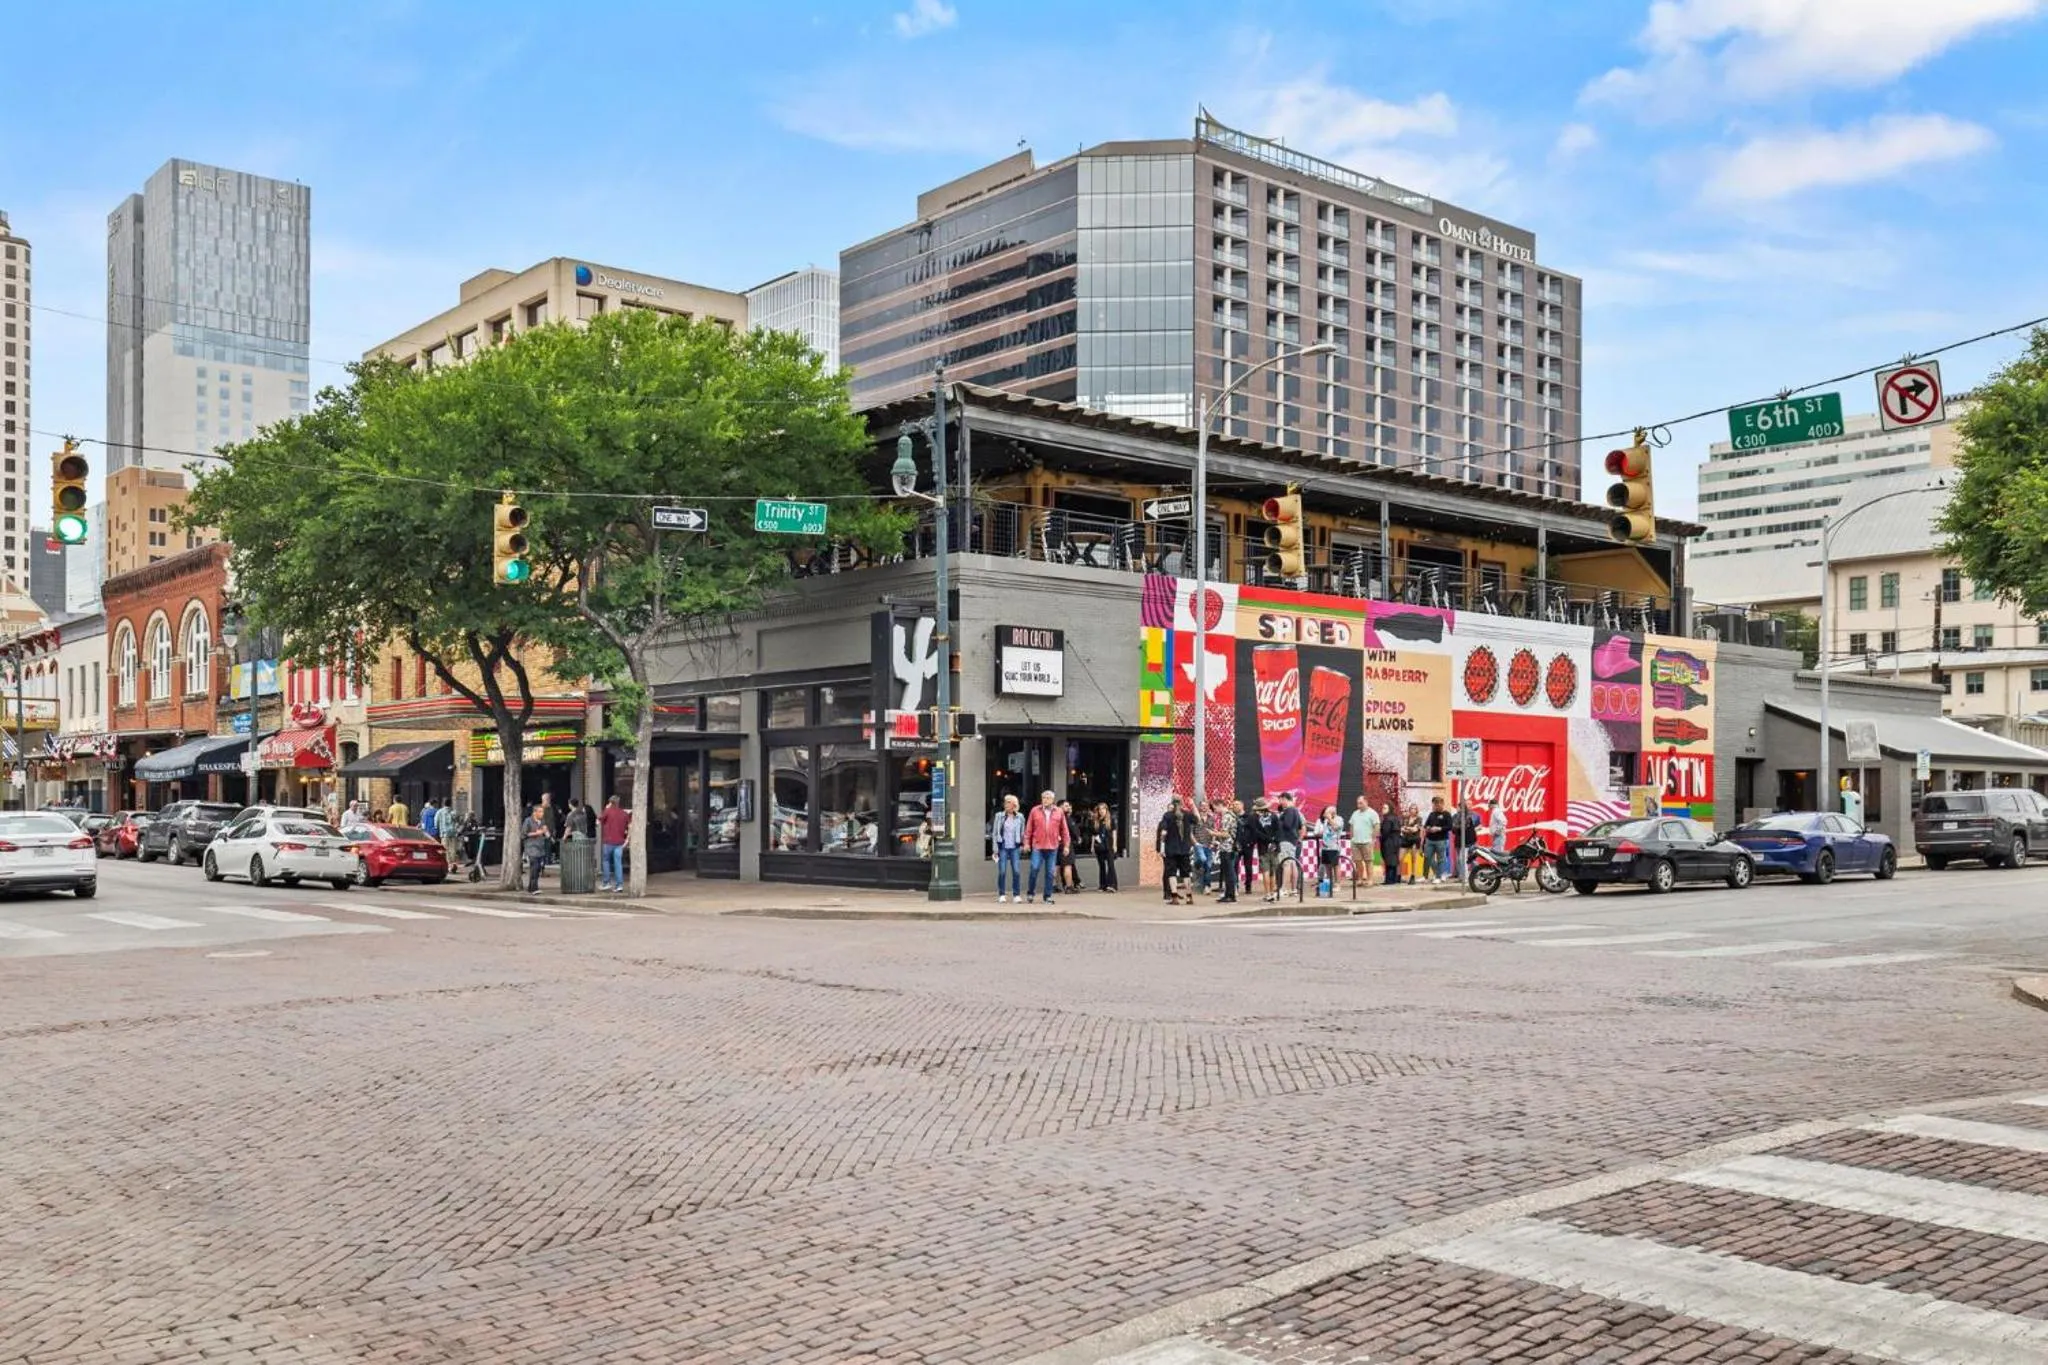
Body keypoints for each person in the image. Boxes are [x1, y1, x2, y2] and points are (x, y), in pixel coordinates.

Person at [1024, 790, 1068, 905]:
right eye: (1044, 797)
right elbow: (1029, 829)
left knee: (1050, 873)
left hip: (1052, 847)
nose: (1045, 800)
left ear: (1053, 800)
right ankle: (1030, 893)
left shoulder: (1059, 812)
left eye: (1048, 798)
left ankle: (1047, 896)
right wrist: (1026, 843)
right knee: (1034, 869)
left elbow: (1064, 830)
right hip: (1038, 846)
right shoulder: (1035, 810)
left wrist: (1066, 845)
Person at [1155, 794, 1197, 905]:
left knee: (1171, 873)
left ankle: (1174, 897)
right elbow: (1198, 820)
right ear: (1182, 803)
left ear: (1172, 803)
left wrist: (1162, 848)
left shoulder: (1167, 816)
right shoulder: (1188, 815)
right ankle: (1189, 897)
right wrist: (1192, 806)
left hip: (1171, 849)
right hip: (1184, 849)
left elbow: (1163, 833)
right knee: (1186, 874)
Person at [990, 795, 1025, 902]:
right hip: (1003, 846)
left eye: (1009, 802)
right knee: (1002, 871)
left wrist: (1023, 844)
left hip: (1015, 846)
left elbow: (1023, 832)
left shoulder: (1020, 817)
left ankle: (1016, 895)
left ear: (1014, 804)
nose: (1006, 804)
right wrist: (995, 850)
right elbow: (995, 833)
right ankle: (1002, 894)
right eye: (1005, 802)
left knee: (1016, 871)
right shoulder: (999, 816)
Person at [1273, 791, 1305, 899]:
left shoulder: (1289, 811)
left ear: (1284, 799)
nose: (1280, 803)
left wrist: (1279, 820)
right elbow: (1300, 826)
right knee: (1292, 864)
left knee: (1286, 864)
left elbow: (1287, 824)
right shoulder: (1296, 811)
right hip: (1292, 840)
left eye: (1280, 800)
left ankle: (1284, 889)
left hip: (1286, 840)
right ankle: (1294, 889)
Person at [597, 794, 630, 892]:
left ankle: (606, 883)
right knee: (618, 863)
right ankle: (619, 885)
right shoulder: (624, 814)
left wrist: (605, 809)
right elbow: (630, 826)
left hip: (608, 841)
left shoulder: (608, 811)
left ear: (610, 803)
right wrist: (627, 840)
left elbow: (598, 821)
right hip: (620, 842)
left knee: (606, 861)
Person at [1348, 796, 1380, 888]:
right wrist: (1352, 838)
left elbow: (1376, 826)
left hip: (1367, 841)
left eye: (1361, 803)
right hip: (1356, 841)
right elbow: (1352, 826)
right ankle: (1360, 879)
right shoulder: (1355, 813)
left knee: (1368, 861)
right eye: (1358, 803)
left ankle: (1370, 880)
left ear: (1366, 802)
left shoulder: (1372, 813)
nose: (1359, 805)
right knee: (1357, 861)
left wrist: (1373, 839)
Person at [1227, 798, 1255, 902]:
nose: (1234, 806)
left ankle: (1248, 886)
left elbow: (1254, 831)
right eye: (1233, 805)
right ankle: (1235, 886)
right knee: (1234, 865)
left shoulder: (1249, 817)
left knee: (1248, 866)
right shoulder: (1232, 817)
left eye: (1237, 804)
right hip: (1236, 845)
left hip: (1247, 845)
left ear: (1242, 806)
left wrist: (1251, 842)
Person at [520, 802, 550, 893]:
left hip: (540, 847)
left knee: (538, 868)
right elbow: (523, 834)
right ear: (534, 813)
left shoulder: (542, 821)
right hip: (531, 847)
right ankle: (534, 888)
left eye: (542, 812)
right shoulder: (528, 821)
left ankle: (531, 887)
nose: (542, 814)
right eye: (540, 812)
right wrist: (536, 833)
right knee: (534, 867)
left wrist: (546, 833)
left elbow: (546, 833)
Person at [1423, 796, 1454, 884]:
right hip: (1430, 839)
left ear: (1442, 804)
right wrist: (1428, 828)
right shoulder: (1432, 814)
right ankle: (1433, 874)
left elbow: (1450, 826)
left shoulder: (1446, 814)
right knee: (1428, 857)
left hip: (1441, 840)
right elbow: (1426, 825)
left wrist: (1439, 828)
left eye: (1438, 804)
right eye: (1435, 804)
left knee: (1441, 858)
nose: (1436, 806)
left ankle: (1438, 876)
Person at [1090, 802, 1119, 892]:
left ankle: (1112, 885)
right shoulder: (1096, 821)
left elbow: (1114, 833)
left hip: (1109, 845)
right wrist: (1092, 846)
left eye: (1103, 809)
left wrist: (1115, 844)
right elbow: (1094, 835)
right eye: (1100, 809)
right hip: (1099, 846)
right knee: (1101, 865)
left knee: (1111, 865)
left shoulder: (1111, 820)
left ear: (1107, 810)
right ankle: (1103, 885)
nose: (1102, 811)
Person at [1317, 805, 1345, 896]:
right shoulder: (1325, 821)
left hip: (1334, 846)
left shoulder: (1339, 819)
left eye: (1327, 813)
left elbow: (1336, 828)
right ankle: (1329, 883)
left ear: (1332, 812)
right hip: (1325, 846)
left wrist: (1330, 819)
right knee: (1327, 866)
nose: (1325, 815)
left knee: (1335, 866)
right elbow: (1324, 831)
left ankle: (1338, 884)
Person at [1056, 799, 1082, 894]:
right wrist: (1078, 837)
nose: (1068, 808)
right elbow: (1073, 830)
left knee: (1056, 865)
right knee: (1067, 866)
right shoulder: (1065, 818)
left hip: (1055, 844)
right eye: (1066, 806)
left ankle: (1054, 885)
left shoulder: (1053, 817)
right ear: (1060, 807)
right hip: (1065, 844)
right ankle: (1069, 886)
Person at [1380, 802, 1405, 885]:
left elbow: (1385, 832)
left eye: (1385, 808)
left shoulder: (1388, 819)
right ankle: (1393, 879)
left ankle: (1389, 880)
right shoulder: (1395, 818)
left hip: (1389, 842)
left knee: (1389, 861)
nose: (1382, 809)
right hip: (1396, 842)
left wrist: (1381, 838)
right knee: (1393, 861)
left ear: (1389, 809)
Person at [1400, 806, 1424, 882]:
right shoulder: (1405, 818)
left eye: (1414, 809)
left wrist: (1407, 829)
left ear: (1416, 810)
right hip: (1405, 839)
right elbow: (1402, 828)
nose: (1412, 810)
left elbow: (1415, 829)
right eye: (1411, 808)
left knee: (1413, 858)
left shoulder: (1419, 819)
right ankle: (1401, 875)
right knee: (1400, 858)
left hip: (1414, 840)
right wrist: (1408, 829)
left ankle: (1413, 875)